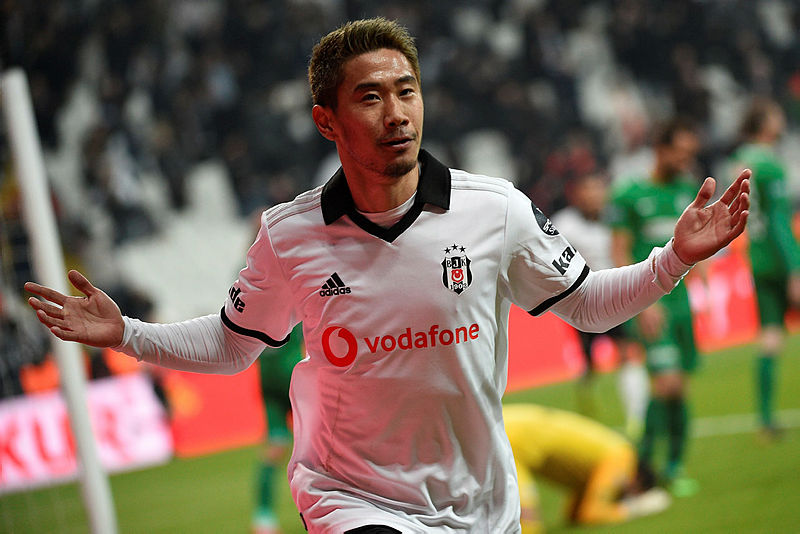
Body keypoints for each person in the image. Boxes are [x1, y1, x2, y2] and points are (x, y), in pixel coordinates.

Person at [25, 18, 749, 533]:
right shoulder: (289, 235)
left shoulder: (494, 210)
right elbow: (233, 342)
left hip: (481, 503)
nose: (397, 113)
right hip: (351, 496)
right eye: (370, 97)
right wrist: (128, 334)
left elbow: (587, 305)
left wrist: (674, 259)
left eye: (407, 91)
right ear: (327, 121)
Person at [608, 117, 705, 497]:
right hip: (651, 304)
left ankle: (674, 468)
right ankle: (643, 469)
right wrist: (639, 303)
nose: (685, 161)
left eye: (689, 154)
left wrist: (702, 279)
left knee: (680, 388)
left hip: (682, 306)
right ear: (660, 150)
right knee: (666, 383)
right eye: (679, 153)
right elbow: (619, 250)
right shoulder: (629, 194)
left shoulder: (686, 191)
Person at [551, 173, 649, 434]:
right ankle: (587, 406)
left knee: (628, 353)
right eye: (588, 189)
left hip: (616, 295)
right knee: (590, 364)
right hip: (582, 301)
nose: (594, 195)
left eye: (598, 189)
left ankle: (636, 418)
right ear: (577, 195)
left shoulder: (617, 220)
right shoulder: (565, 224)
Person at [730, 98, 800, 441]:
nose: (780, 118)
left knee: (770, 337)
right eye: (775, 114)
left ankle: (765, 418)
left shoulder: (740, 162)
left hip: (755, 258)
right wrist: (795, 269)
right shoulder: (770, 166)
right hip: (779, 260)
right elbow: (779, 223)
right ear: (764, 123)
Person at [503, 403, 670, 533]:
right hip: (510, 439)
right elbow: (591, 513)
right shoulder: (622, 459)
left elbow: (576, 515)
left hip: (506, 425)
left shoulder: (603, 459)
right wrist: (638, 507)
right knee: (528, 527)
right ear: (637, 480)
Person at [253, 323, 304, 534]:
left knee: (277, 448)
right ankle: (263, 518)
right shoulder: (295, 311)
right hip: (289, 381)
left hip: (276, 381)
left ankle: (263, 517)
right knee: (318, 444)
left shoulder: (251, 312)